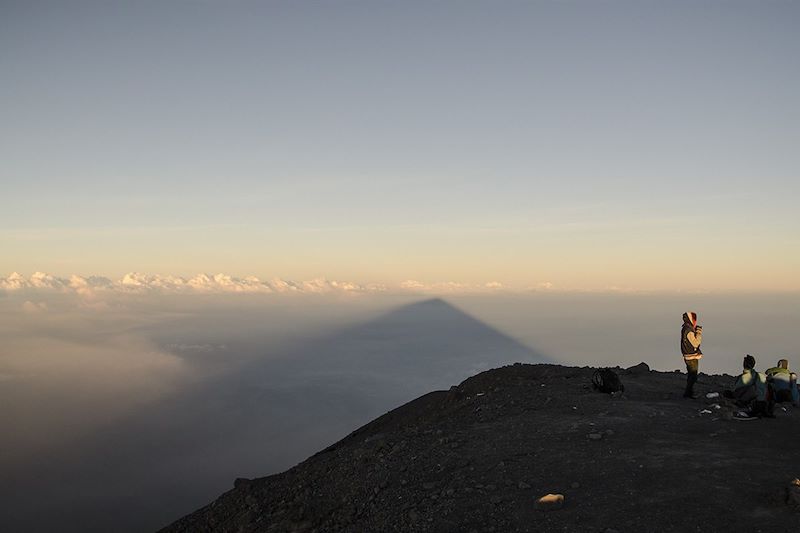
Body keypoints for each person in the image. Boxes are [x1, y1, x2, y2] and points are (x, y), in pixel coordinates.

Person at [680, 311, 702, 398]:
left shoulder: (685, 328)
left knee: (691, 375)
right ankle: (688, 394)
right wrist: (699, 333)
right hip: (691, 357)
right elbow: (696, 343)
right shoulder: (689, 330)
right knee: (693, 376)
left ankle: (689, 393)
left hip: (687, 356)